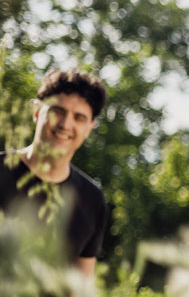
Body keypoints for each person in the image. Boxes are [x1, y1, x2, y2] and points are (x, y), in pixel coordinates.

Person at [0, 68, 109, 276]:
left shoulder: (92, 200)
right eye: (57, 111)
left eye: (79, 117)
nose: (65, 124)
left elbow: (80, 291)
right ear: (36, 111)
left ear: (89, 127)